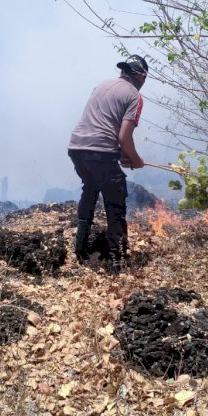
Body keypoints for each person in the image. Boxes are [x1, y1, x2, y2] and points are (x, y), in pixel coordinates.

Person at [67, 54, 148, 272]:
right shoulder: (135, 96)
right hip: (100, 151)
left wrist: (122, 155)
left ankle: (80, 250)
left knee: (91, 188)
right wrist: (137, 160)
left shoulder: (102, 85)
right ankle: (117, 262)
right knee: (115, 200)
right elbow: (123, 137)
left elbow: (100, 124)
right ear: (141, 76)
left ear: (124, 72)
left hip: (76, 148)